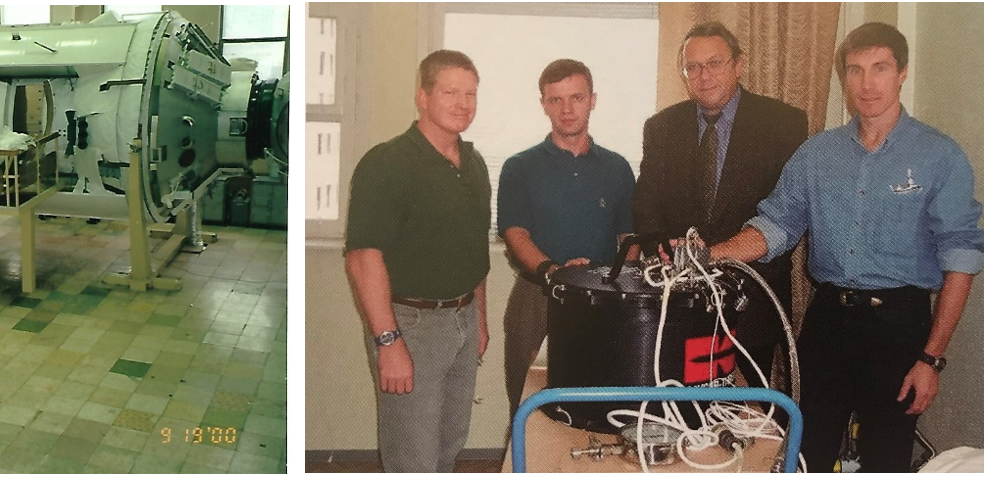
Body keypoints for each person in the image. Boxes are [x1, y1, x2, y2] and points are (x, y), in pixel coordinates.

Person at [710, 22, 982, 473]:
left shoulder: (940, 156)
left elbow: (961, 258)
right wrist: (711, 253)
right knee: (805, 451)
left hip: (900, 325)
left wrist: (930, 358)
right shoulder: (817, 155)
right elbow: (775, 225)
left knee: (886, 457)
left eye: (880, 68)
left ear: (902, 73)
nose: (867, 83)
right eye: (855, 70)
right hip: (828, 323)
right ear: (843, 76)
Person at [632, 22, 808, 390]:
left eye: (714, 63)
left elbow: (791, 215)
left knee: (750, 415)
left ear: (738, 64)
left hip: (753, 303)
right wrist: (665, 253)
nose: (703, 75)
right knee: (683, 412)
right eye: (692, 67)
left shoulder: (784, 123)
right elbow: (646, 210)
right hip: (680, 304)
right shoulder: (661, 128)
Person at [343, 49, 490, 473]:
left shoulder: (475, 164)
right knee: (412, 456)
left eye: (471, 94)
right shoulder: (386, 163)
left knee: (449, 444)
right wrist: (388, 342)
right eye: (450, 92)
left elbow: (475, 250)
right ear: (422, 97)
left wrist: (478, 319)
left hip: (463, 320)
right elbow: (363, 257)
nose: (463, 104)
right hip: (411, 325)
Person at [495, 59, 635, 420]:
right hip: (537, 294)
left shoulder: (618, 167)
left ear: (593, 100)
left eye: (576, 97)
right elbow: (515, 233)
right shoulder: (519, 167)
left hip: (604, 297)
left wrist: (620, 278)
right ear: (543, 104)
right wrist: (554, 271)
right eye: (555, 100)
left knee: (601, 401)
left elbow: (628, 235)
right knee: (527, 401)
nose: (567, 109)